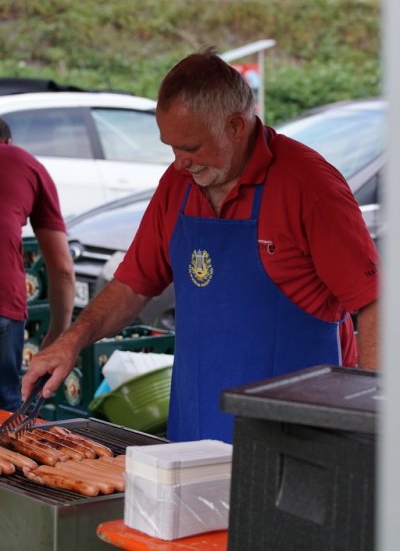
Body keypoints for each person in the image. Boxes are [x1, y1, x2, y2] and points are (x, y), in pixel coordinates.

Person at [22, 51, 379, 443]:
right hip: (195, 423)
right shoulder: (177, 185)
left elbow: (375, 304)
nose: (179, 163)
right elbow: (133, 285)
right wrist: (71, 341)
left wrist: (368, 425)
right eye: (171, 147)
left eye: (190, 147)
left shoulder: (308, 186)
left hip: (293, 436)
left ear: (235, 126)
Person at [0, 118, 75, 411]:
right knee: (5, 413)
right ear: (8, 142)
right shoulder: (25, 164)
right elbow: (63, 270)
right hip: (3, 305)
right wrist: (58, 333)